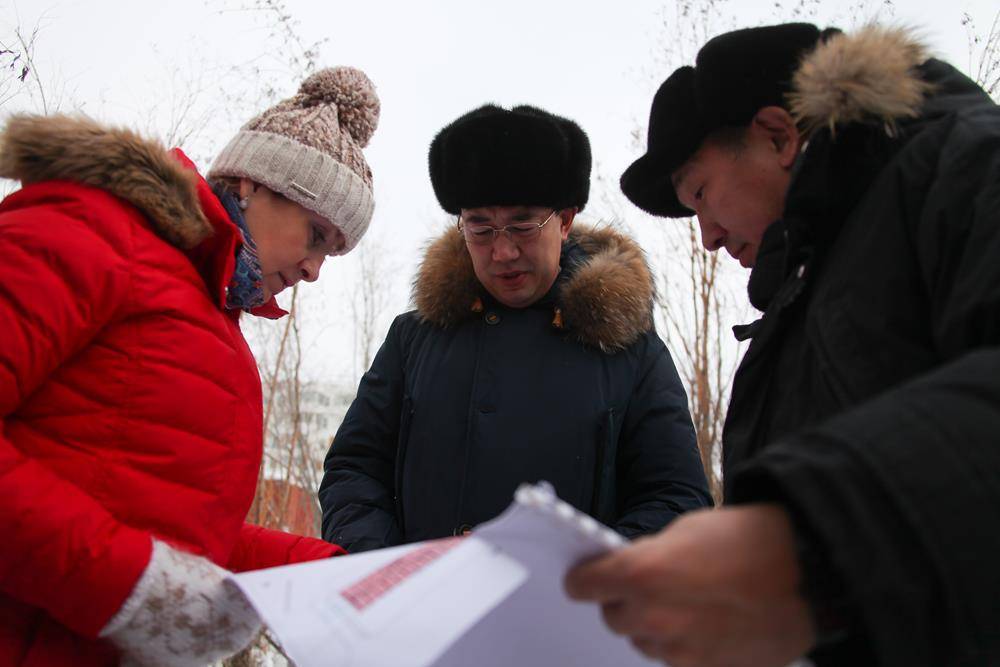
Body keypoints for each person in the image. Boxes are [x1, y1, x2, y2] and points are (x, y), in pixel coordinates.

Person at [565, 22, 1000, 667]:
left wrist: (805, 545)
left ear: (778, 135)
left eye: (701, 195)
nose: (707, 238)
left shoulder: (965, 165)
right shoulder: (802, 294)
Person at [0, 66, 381, 666]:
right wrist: (127, 585)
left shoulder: (215, 323)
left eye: (330, 253)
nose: (313, 270)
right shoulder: (93, 230)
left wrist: (328, 575)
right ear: (252, 183)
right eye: (315, 234)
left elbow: (182, 538)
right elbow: (147, 574)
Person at [319, 104, 711, 553]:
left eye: (523, 226)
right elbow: (353, 470)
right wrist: (387, 565)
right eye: (480, 228)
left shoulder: (630, 350)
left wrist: (576, 574)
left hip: (570, 597)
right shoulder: (414, 340)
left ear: (565, 221)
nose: (502, 252)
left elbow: (676, 499)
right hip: (423, 595)